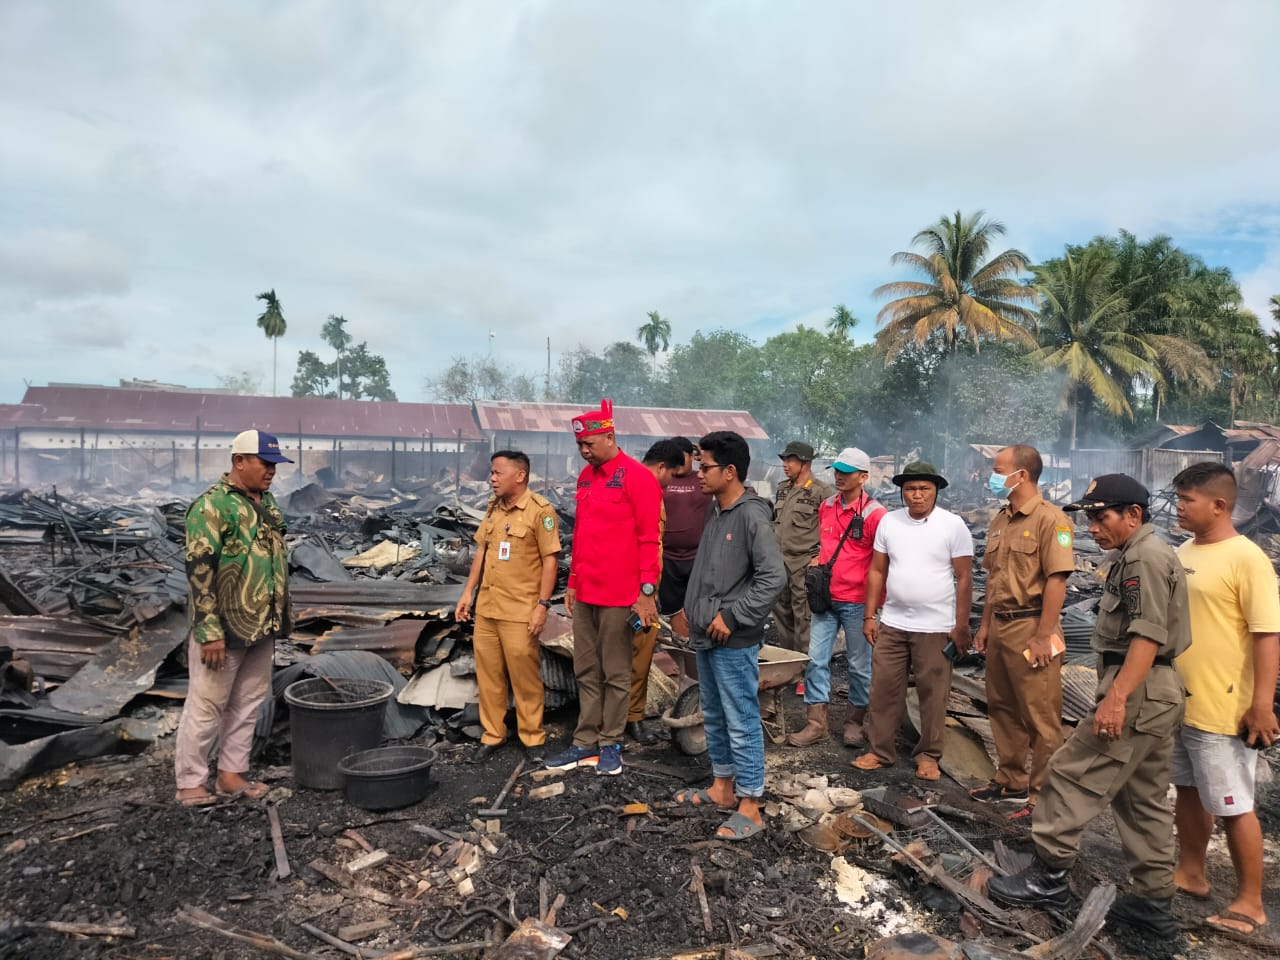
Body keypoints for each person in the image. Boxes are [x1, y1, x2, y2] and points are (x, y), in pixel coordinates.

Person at [988, 474, 1191, 940]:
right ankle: (1153, 904)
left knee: (1068, 774)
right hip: (1154, 691)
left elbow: (1147, 634)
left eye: (1101, 517)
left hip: (1137, 689)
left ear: (1133, 515)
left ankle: (1048, 877)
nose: (1092, 528)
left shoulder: (1144, 557)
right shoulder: (1136, 555)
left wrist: (1116, 698)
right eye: (1089, 518)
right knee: (1142, 798)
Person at [1169, 462, 1280, 938]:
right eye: (1177, 498)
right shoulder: (1182, 552)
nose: (1178, 507)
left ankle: (1251, 901)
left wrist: (1263, 703)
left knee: (1235, 804)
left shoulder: (1247, 558)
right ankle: (1191, 872)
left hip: (1223, 705)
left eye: (1187, 500)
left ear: (1219, 505)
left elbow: (1267, 634)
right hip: (1180, 700)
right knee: (1189, 792)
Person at [671, 431, 785, 840]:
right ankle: (722, 787)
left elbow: (774, 576)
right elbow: (711, 571)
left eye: (706, 467)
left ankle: (751, 804)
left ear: (730, 471)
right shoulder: (716, 511)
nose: (699, 474)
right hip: (706, 633)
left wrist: (734, 616)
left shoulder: (752, 515)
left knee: (741, 719)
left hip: (732, 638)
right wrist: (690, 610)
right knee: (716, 714)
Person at [174, 429, 293, 806]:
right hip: (223, 628)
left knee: (247, 702)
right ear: (239, 461)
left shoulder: (268, 503)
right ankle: (191, 782)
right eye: (265, 462)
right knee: (208, 703)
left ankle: (231, 774)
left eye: (274, 464)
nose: (271, 470)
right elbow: (200, 570)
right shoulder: (211, 507)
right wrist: (209, 630)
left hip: (262, 624)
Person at [547, 400, 662, 776]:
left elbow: (649, 539)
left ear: (610, 437)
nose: (584, 451)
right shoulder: (585, 478)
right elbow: (580, 537)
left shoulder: (637, 477)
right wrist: (574, 583)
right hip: (587, 594)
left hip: (621, 596)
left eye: (590, 444)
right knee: (586, 669)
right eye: (580, 446)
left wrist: (645, 593)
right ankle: (584, 742)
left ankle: (610, 743)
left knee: (615, 672)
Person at [969, 445, 1075, 820]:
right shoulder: (1001, 519)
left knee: (1041, 717)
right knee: (1001, 707)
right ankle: (1011, 781)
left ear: (1022, 476)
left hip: (1033, 626)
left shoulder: (1052, 520)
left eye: (998, 470)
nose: (992, 476)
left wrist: (1044, 636)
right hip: (1000, 626)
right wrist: (983, 627)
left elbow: (1057, 581)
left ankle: (1041, 797)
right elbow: (994, 579)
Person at [852, 462, 973, 781]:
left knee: (932, 695)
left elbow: (963, 577)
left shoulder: (952, 525)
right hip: (892, 623)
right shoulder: (890, 522)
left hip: (935, 628)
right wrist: (869, 615)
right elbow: (877, 571)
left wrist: (961, 625)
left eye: (924, 489)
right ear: (901, 491)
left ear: (935, 491)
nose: (917, 495)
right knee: (883, 689)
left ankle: (929, 756)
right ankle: (880, 751)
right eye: (910, 489)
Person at [455, 451, 561, 765]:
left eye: (498, 472)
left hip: (520, 610)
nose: (492, 478)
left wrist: (542, 605)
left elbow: (550, 561)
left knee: (524, 677)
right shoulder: (493, 509)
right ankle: (493, 734)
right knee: (489, 677)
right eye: (492, 472)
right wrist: (467, 593)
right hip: (488, 608)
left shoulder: (540, 511)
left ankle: (532, 736)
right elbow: (482, 552)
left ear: (520, 475)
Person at [788, 447, 886, 748]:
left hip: (858, 601)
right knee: (816, 659)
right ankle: (817, 724)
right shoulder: (827, 505)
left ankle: (855, 722)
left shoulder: (875, 514)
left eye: (847, 472)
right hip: (826, 598)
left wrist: (875, 608)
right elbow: (825, 545)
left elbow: (882, 562)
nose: (840, 476)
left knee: (859, 665)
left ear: (864, 476)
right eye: (837, 470)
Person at [626, 439, 685, 745]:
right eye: (673, 475)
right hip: (635, 593)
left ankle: (628, 718)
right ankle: (630, 719)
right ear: (662, 467)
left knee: (639, 653)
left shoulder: (646, 487)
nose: (671, 482)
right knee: (634, 656)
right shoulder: (639, 487)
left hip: (645, 589)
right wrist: (643, 594)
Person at [772, 441, 832, 677]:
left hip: (804, 564)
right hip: (779, 562)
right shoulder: (782, 488)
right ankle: (788, 667)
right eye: (784, 460)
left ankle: (805, 672)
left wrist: (819, 558)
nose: (785, 465)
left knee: (804, 618)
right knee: (781, 613)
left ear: (805, 463)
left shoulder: (822, 492)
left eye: (791, 461)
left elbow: (830, 530)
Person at [658, 437, 710, 618]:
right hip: (667, 556)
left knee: (696, 607)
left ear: (692, 456)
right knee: (670, 608)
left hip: (697, 557)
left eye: (683, 457)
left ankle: (692, 644)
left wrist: (702, 454)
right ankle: (675, 641)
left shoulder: (704, 479)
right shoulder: (662, 480)